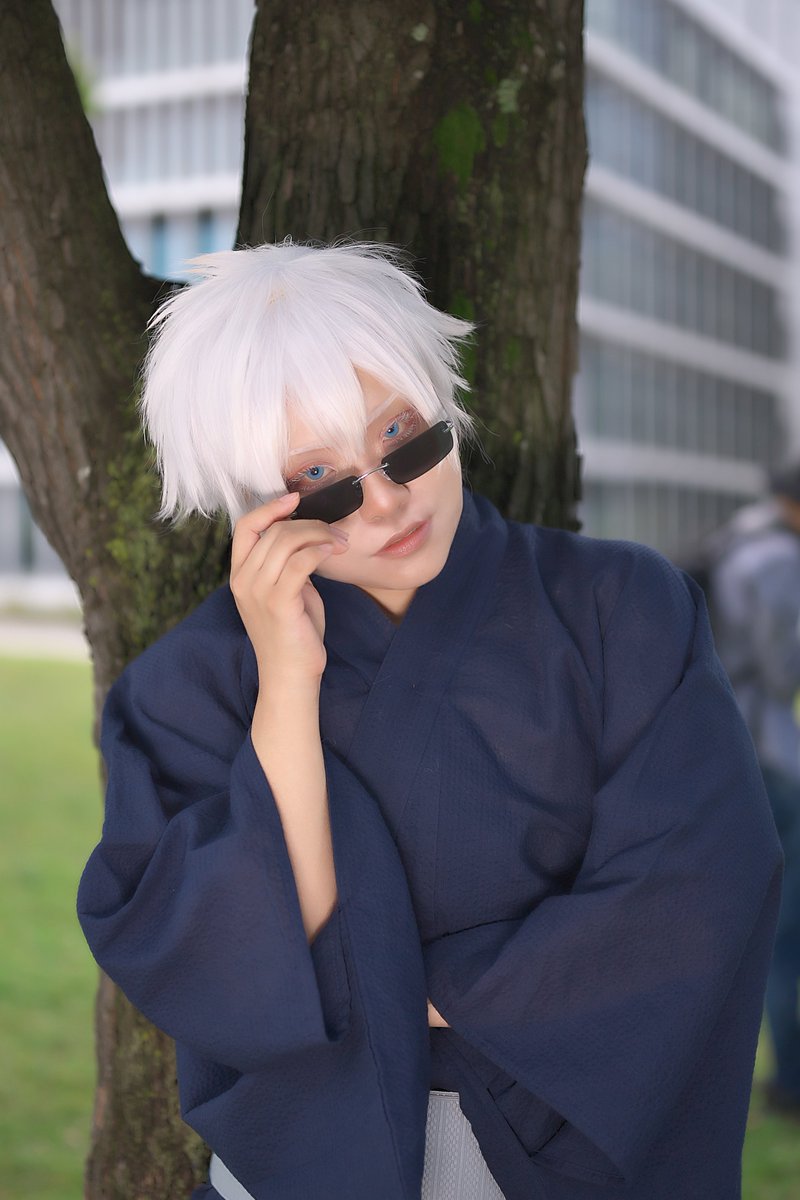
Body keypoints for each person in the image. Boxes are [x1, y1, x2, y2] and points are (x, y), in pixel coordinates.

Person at [77, 239, 782, 1200]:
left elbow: (697, 885)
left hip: (563, 1160)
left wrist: (383, 984)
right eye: (322, 479)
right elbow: (221, 954)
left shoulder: (623, 606)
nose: (386, 501)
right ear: (255, 505)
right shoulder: (190, 688)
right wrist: (286, 684)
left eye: (404, 439)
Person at [707, 464, 800, 1118]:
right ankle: (790, 1081)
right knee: (785, 928)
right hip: (769, 754)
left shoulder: (735, 542)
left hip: (734, 751)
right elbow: (785, 667)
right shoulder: (775, 560)